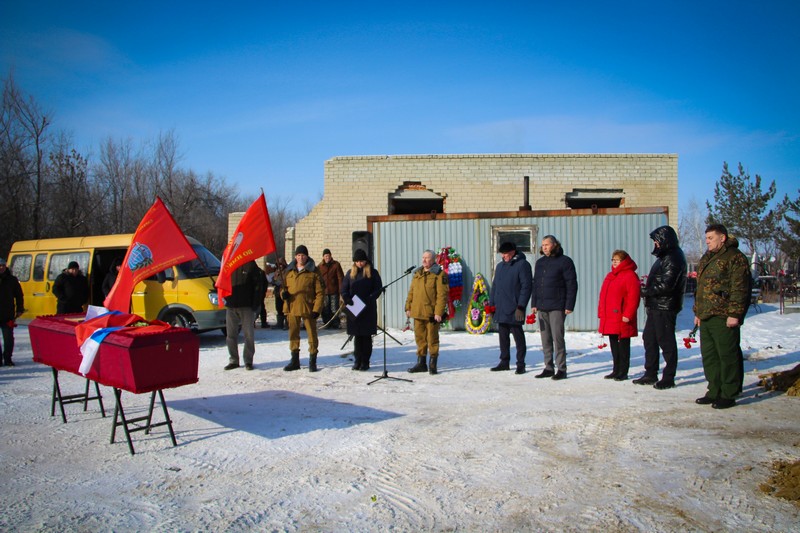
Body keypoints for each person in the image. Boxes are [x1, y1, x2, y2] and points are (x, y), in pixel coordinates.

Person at [693, 224, 751, 409]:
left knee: (727, 355)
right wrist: (698, 312)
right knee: (709, 356)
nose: (707, 241)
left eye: (711, 238)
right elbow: (701, 288)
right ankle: (714, 390)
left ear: (722, 238)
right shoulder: (707, 258)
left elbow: (740, 288)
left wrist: (734, 314)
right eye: (707, 238)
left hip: (723, 315)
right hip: (707, 315)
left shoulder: (734, 257)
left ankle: (729, 393)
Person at [634, 225, 687, 389]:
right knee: (649, 339)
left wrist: (646, 291)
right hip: (656, 306)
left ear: (665, 240)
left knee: (666, 341)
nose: (655, 244)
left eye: (657, 241)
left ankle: (669, 377)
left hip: (665, 307)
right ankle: (650, 373)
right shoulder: (664, 257)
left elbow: (667, 285)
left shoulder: (674, 257)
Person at [531, 235, 578, 380]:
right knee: (545, 339)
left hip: (557, 306)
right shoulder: (540, 263)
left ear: (555, 245)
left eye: (547, 244)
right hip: (542, 306)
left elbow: (572, 284)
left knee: (558, 337)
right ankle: (548, 367)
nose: (544, 247)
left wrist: (569, 305)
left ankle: (561, 368)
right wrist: (534, 303)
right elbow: (536, 285)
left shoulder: (565, 262)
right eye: (543, 245)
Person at [487, 242, 532, 374]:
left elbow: (526, 287)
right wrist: (492, 305)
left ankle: (520, 363)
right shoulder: (500, 266)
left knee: (518, 336)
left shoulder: (523, 265)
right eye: (502, 253)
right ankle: (504, 361)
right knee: (503, 336)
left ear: (513, 252)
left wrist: (521, 306)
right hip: (501, 307)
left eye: (506, 253)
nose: (504, 256)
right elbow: (495, 287)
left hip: (514, 308)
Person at [598, 250, 641, 381]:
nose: (615, 262)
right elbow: (603, 296)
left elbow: (634, 297)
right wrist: (601, 312)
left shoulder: (630, 276)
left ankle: (623, 371)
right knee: (613, 344)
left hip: (622, 316)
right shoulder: (610, 276)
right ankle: (616, 369)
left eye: (617, 260)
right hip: (610, 316)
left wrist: (628, 314)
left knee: (623, 345)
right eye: (613, 260)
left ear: (624, 261)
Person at [405, 249, 448, 375]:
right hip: (417, 312)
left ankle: (432, 364)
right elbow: (411, 292)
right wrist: (408, 307)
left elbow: (442, 295)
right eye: (423, 257)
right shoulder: (417, 273)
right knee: (420, 339)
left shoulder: (439, 275)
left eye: (427, 258)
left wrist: (439, 312)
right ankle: (421, 363)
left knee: (432, 339)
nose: (424, 260)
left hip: (431, 313)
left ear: (433, 259)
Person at [282, 245, 325, 372]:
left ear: (307, 256)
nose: (301, 258)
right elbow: (283, 288)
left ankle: (313, 360)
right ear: (295, 256)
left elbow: (320, 292)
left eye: (303, 255)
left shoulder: (313, 271)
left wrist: (317, 309)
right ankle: (294, 360)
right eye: (299, 255)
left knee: (312, 335)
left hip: (308, 308)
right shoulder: (289, 271)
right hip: (292, 307)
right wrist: (283, 295)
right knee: (293, 334)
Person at [340, 249, 383, 371]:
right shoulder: (350, 273)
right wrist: (347, 299)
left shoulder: (372, 273)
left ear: (366, 261)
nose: (360, 263)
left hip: (368, 309)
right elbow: (344, 289)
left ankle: (365, 361)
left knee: (366, 337)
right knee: (357, 337)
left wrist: (371, 298)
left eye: (362, 261)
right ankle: (357, 360)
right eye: (357, 261)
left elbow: (378, 288)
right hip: (354, 308)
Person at [222, 260, 262, 371]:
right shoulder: (229, 263)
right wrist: (218, 286)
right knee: (230, 335)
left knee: (249, 335)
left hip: (246, 306)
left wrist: (256, 303)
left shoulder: (250, 264)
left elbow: (259, 284)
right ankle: (234, 360)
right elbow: (222, 280)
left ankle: (248, 361)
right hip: (231, 304)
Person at [0, 258, 24, 367]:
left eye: (3, 266)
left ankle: (8, 358)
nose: (1, 268)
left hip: (7, 314)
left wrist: (20, 309)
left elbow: (19, 295)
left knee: (9, 339)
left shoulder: (12, 280)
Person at [318, 248, 344, 329]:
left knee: (334, 308)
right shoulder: (320, 267)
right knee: (325, 308)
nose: (327, 257)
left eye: (328, 256)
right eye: (325, 256)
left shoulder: (336, 265)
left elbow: (340, 278)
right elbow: (317, 279)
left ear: (330, 256)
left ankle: (336, 323)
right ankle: (327, 323)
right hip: (324, 291)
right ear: (323, 257)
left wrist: (341, 290)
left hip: (334, 290)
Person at [272, 257, 288, 330]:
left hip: (284, 292)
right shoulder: (277, 271)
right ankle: (280, 323)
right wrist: (274, 281)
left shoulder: (287, 271)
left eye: (281, 264)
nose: (280, 266)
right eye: (279, 264)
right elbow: (274, 279)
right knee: (278, 308)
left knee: (285, 308)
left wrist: (281, 283)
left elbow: (287, 280)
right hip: (277, 292)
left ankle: (287, 323)